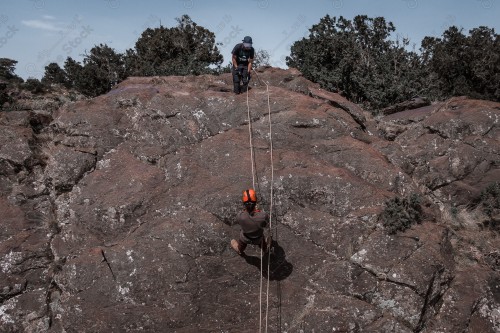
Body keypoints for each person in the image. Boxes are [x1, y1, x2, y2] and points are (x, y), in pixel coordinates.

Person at [231, 189, 269, 255]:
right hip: (258, 238)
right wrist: (258, 212)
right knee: (263, 243)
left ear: (243, 203)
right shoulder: (263, 215)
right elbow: (265, 225)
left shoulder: (240, 216)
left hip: (245, 238)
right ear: (256, 202)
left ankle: (240, 250)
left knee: (241, 245)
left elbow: (238, 221)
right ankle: (265, 250)